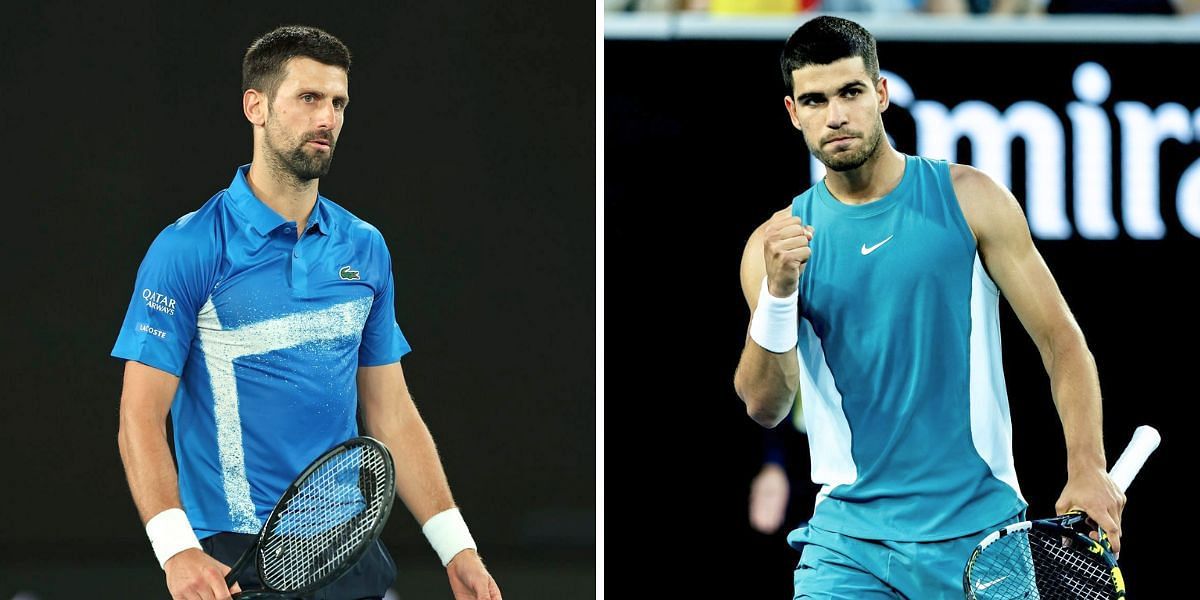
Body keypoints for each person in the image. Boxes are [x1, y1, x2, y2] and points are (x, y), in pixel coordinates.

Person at [732, 16, 1125, 598]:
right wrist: (779, 294)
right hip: (848, 550)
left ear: (881, 93)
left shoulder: (971, 199)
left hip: (982, 538)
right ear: (794, 113)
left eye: (850, 92)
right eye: (815, 100)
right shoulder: (776, 245)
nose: (835, 115)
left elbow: (1061, 342)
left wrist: (1087, 465)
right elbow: (766, 406)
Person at [113, 25, 502, 600]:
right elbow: (139, 418)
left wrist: (457, 548)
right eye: (309, 98)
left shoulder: (364, 247)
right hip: (234, 555)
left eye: (338, 102)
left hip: (346, 547)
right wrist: (177, 552)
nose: (327, 118)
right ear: (256, 106)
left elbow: (390, 411)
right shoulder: (190, 248)